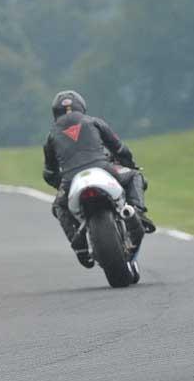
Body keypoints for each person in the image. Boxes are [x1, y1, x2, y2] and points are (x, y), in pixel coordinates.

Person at [42, 91, 156, 268]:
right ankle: (137, 212)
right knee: (135, 176)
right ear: (82, 106)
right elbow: (120, 149)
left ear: (55, 112)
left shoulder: (51, 136)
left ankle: (79, 246)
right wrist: (130, 164)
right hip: (103, 168)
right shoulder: (93, 121)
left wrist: (61, 185)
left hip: (71, 179)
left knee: (59, 206)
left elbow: (49, 173)